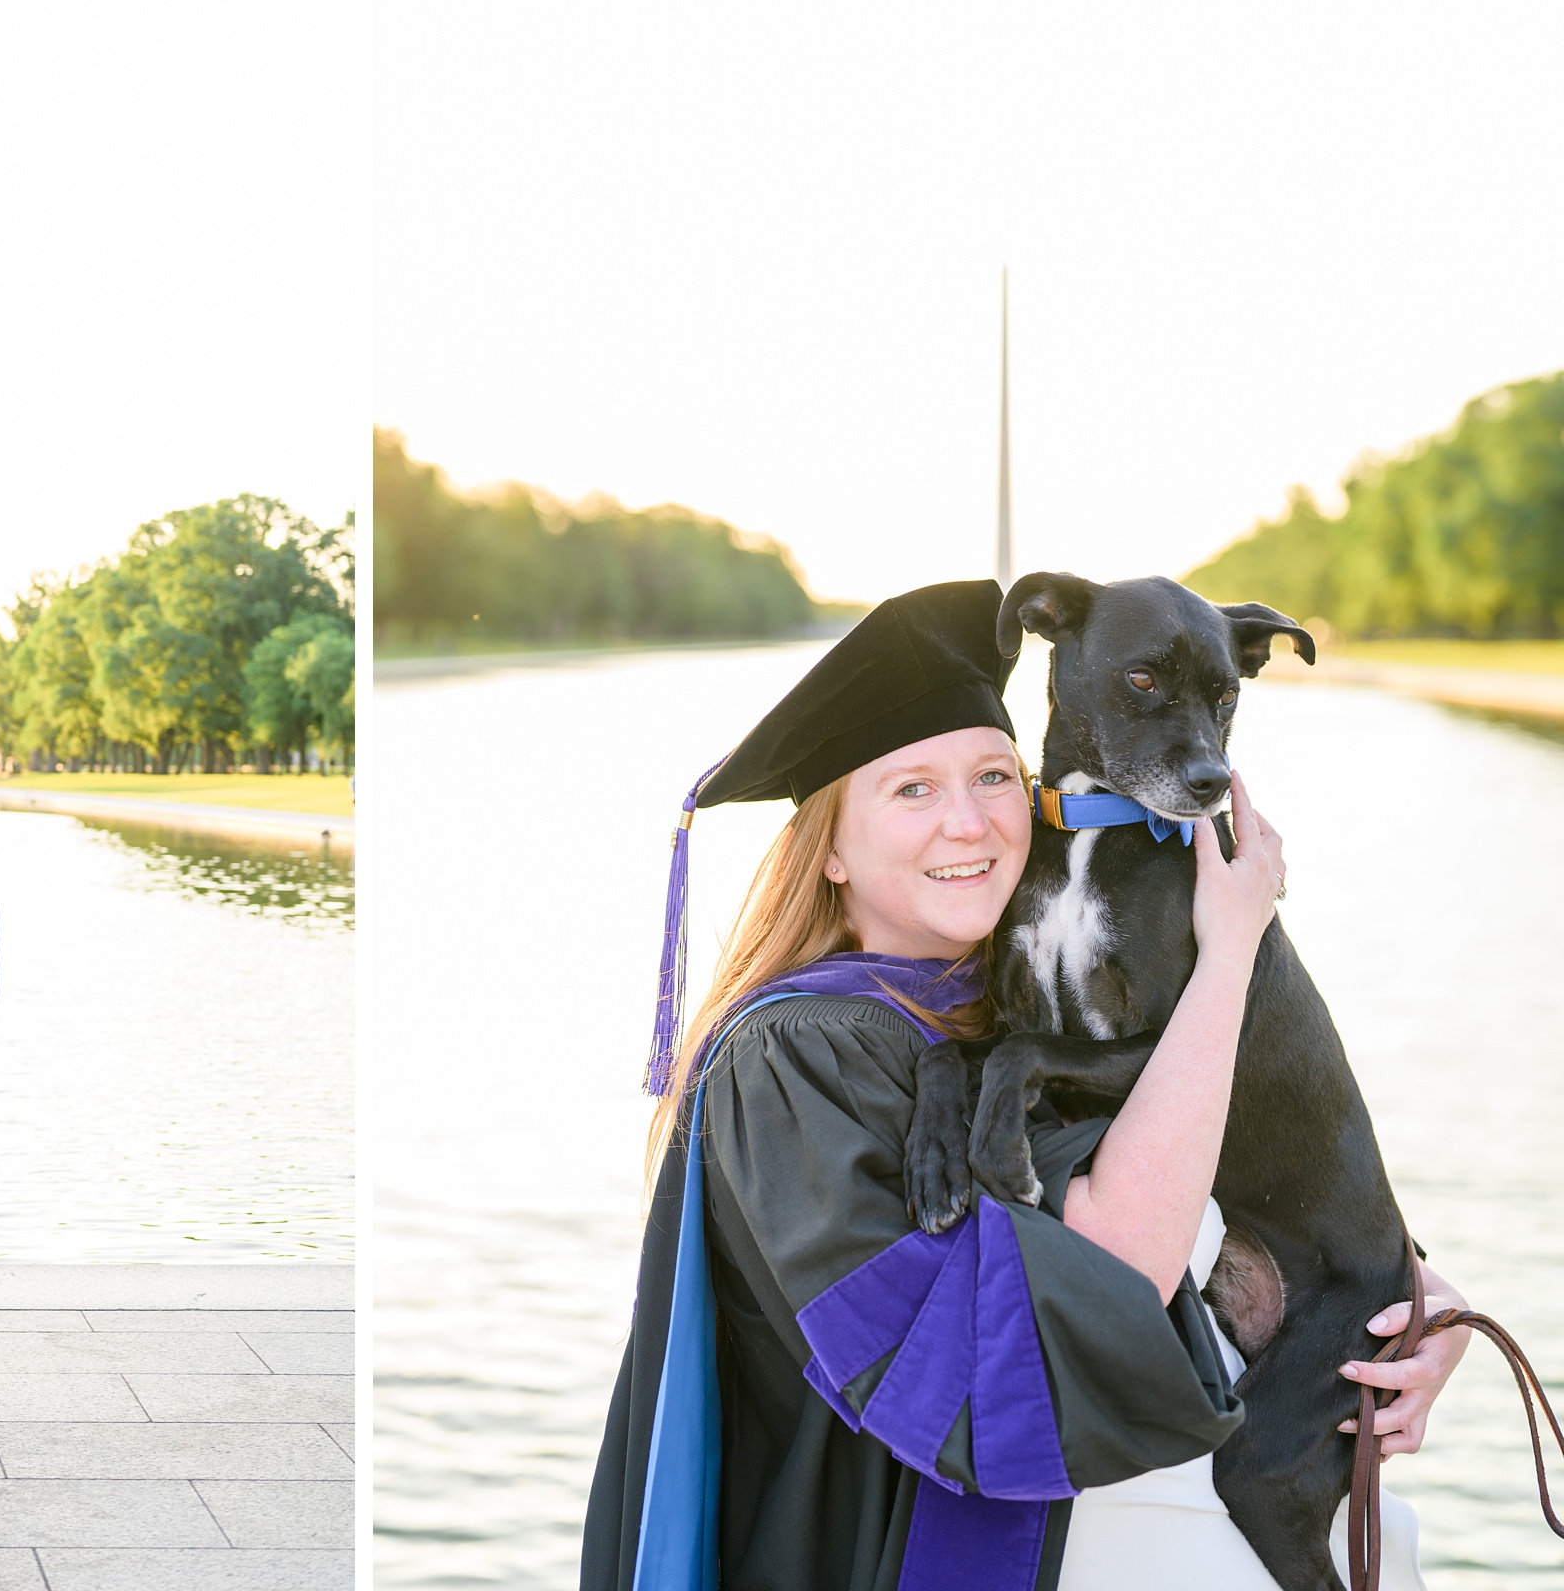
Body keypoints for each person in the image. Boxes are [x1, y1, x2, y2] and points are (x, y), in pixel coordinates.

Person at [580, 580, 1467, 1591]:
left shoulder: (1007, 990)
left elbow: (1250, 1161)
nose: (970, 823)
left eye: (995, 776)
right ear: (827, 844)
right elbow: (1099, 1291)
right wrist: (1230, 956)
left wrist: (1411, 1306)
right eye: (912, 789)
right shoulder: (795, 1058)